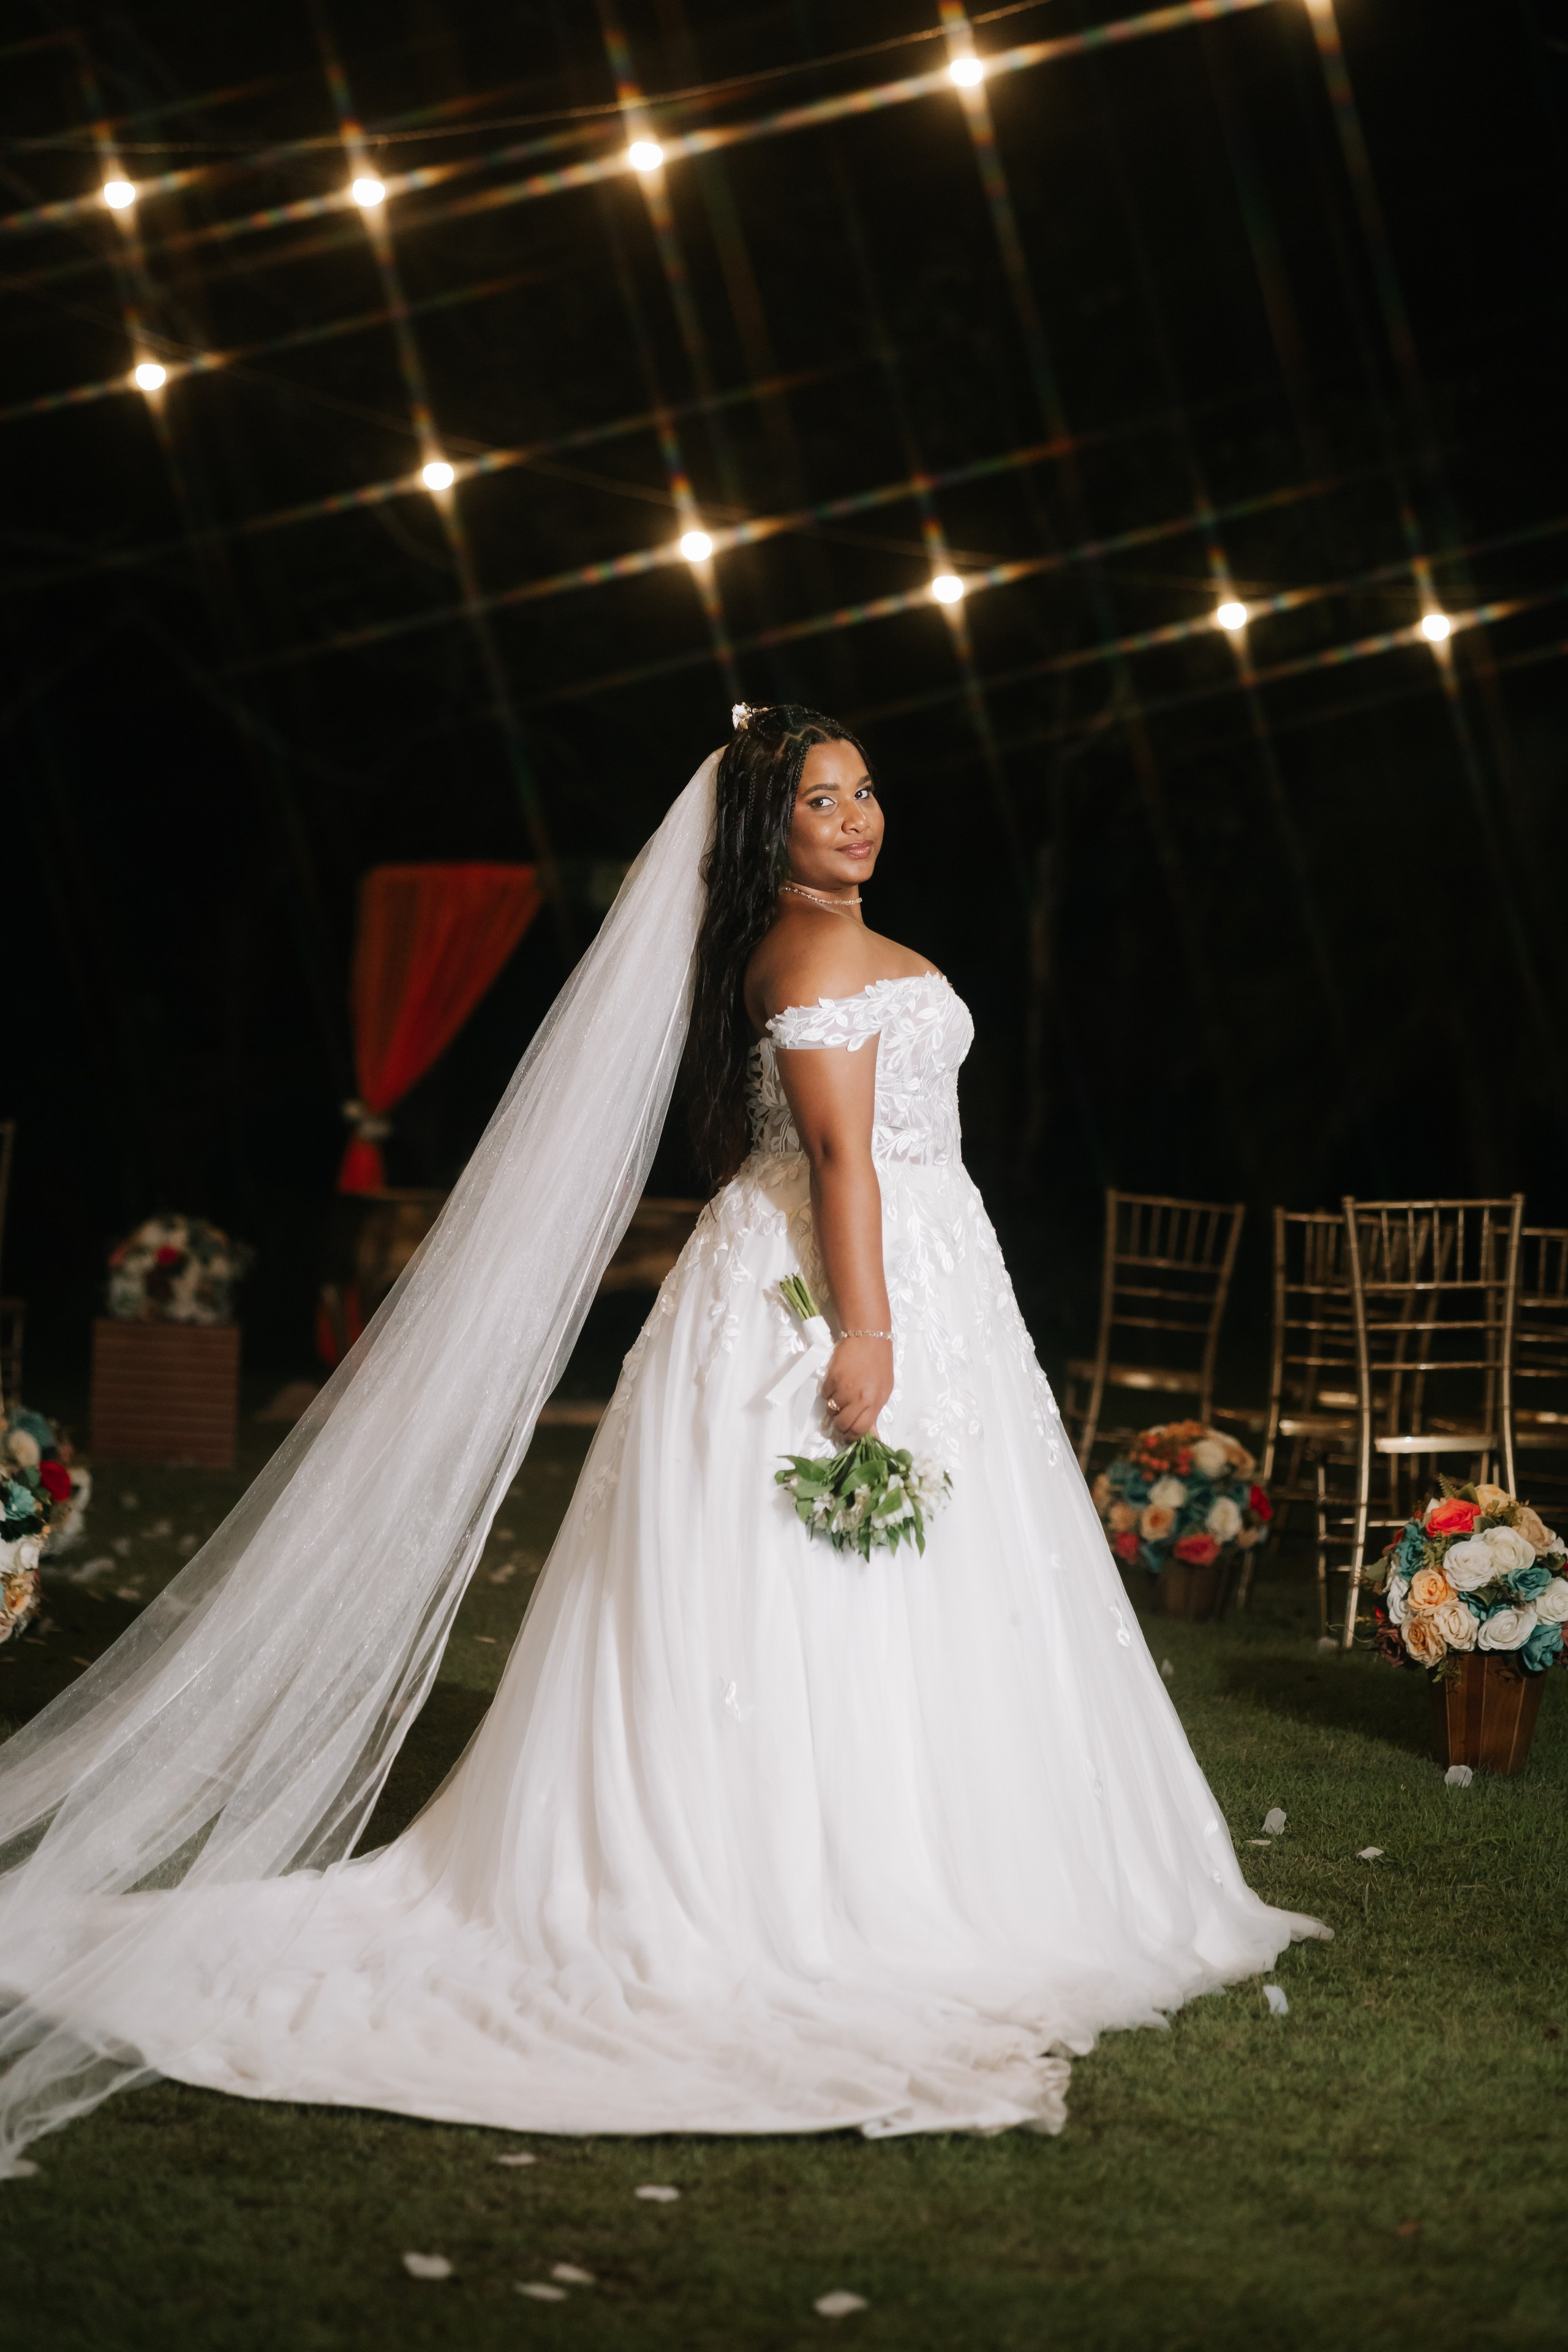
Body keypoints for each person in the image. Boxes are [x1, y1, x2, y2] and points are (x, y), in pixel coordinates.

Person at [0, 707, 1323, 2171]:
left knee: (937, 1574)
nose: (857, 817)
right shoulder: (804, 958)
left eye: (865, 791)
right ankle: (814, 1874)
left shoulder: (826, 943)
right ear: (768, 829)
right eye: (821, 800)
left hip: (929, 1262)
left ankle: (946, 1845)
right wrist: (867, 1335)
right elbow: (838, 1156)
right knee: (802, 1571)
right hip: (838, 1282)